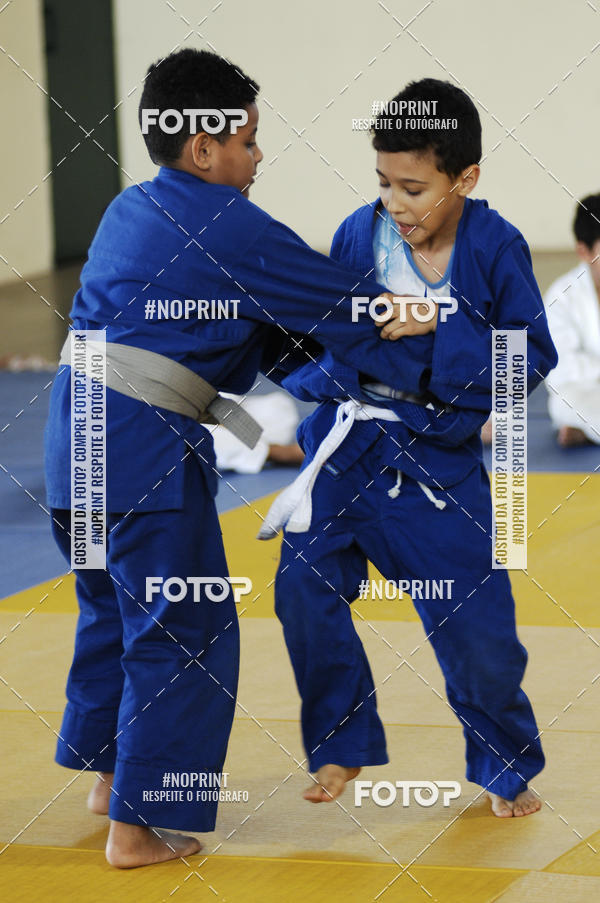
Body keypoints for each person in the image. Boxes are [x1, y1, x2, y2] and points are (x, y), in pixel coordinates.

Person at [44, 49, 440, 868]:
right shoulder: (232, 225)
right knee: (184, 625)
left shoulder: (131, 209)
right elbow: (342, 308)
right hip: (139, 451)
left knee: (117, 613)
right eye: (251, 142)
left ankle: (108, 776)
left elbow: (249, 331)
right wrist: (426, 314)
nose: (260, 158)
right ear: (204, 148)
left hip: (70, 448)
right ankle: (139, 826)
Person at [267, 78, 558, 818]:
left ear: (466, 178)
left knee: (479, 634)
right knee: (302, 588)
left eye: (414, 186)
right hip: (347, 449)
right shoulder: (353, 235)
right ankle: (341, 739)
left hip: (437, 468)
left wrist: (439, 329)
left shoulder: (495, 246)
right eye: (384, 183)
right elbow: (316, 344)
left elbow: (529, 358)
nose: (396, 202)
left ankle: (503, 758)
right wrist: (353, 342)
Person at [543, 193, 600, 447]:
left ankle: (586, 432)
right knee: (565, 402)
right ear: (584, 251)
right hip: (588, 393)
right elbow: (561, 370)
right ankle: (583, 427)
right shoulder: (562, 296)